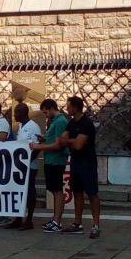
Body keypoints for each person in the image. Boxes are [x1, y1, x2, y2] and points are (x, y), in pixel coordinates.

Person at [58, 96, 101, 239]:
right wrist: (72, 141)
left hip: (87, 162)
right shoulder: (71, 123)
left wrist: (69, 141)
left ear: (76, 108)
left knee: (92, 193)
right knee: (77, 191)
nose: (67, 109)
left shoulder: (86, 123)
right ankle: (77, 222)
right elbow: (61, 140)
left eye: (69, 106)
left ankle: (96, 224)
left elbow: (78, 145)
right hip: (76, 161)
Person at [30, 99, 69, 233]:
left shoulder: (60, 122)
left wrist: (39, 146)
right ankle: (54, 219)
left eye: (46, 112)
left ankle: (57, 221)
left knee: (57, 190)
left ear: (51, 108)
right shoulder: (54, 122)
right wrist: (44, 138)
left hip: (56, 160)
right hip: (50, 159)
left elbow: (59, 144)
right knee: (53, 189)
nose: (46, 115)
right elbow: (53, 139)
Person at [6, 103, 41, 230]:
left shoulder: (34, 127)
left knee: (30, 191)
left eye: (17, 112)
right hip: (19, 165)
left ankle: (29, 219)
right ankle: (18, 218)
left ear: (24, 113)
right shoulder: (20, 126)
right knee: (19, 191)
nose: (15, 115)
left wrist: (27, 160)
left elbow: (37, 147)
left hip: (30, 166)